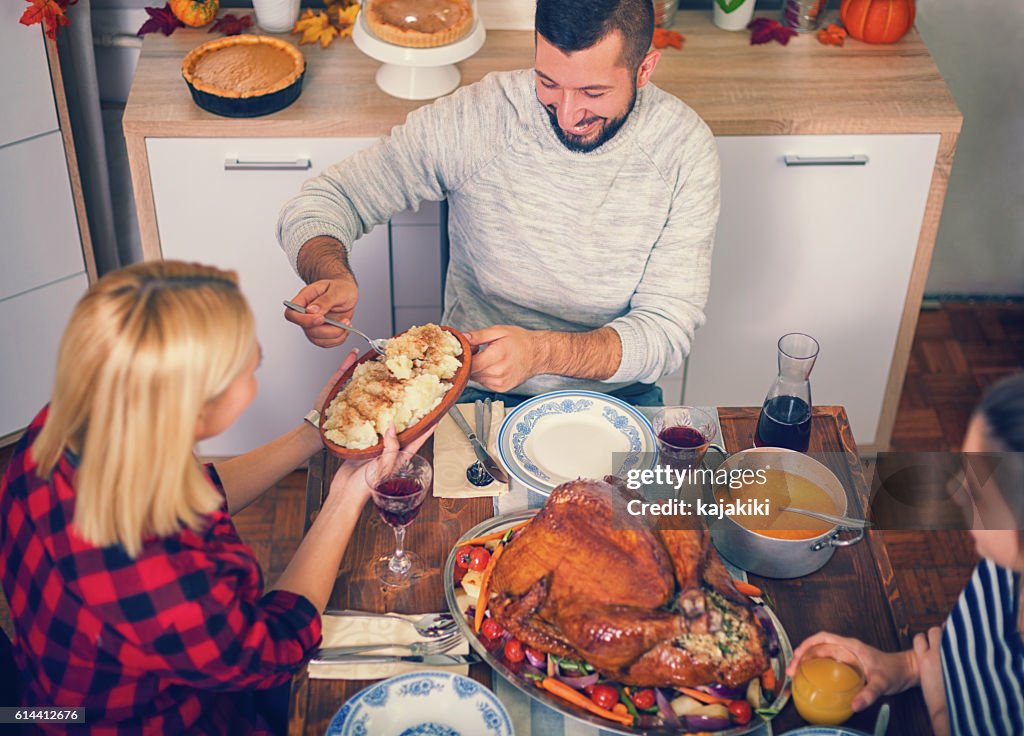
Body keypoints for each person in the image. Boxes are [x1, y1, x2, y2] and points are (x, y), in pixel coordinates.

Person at [0, 261, 427, 734]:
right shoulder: (159, 577)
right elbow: (274, 648)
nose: (258, 356)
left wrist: (314, 433)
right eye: (246, 363)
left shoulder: (67, 423)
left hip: (45, 698)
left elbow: (196, 493)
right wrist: (349, 494)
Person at [277, 0, 720, 407]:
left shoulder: (682, 149)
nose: (567, 115)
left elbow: (667, 330)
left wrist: (542, 352)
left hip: (620, 392)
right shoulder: (480, 119)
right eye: (548, 82)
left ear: (645, 69)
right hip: (474, 388)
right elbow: (326, 200)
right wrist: (330, 272)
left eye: (593, 92)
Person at [786, 372, 1024, 736]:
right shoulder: (1003, 569)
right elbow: (966, 657)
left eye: (978, 489)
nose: (957, 494)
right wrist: (902, 667)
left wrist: (941, 713)